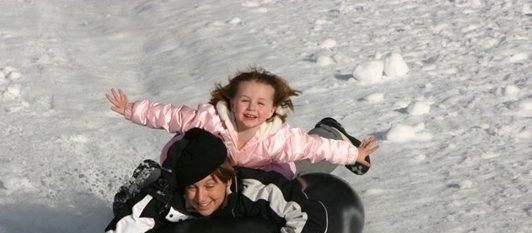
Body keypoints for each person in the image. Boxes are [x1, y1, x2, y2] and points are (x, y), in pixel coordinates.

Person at [104, 128, 329, 233]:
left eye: (210, 186)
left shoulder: (254, 188)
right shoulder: (175, 198)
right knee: (129, 206)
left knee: (294, 168)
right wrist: (160, 191)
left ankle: (330, 133)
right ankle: (150, 177)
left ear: (227, 180)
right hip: (170, 178)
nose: (201, 198)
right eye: (192, 187)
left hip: (264, 161)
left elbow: (311, 219)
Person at [105, 67, 379, 180]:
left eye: (261, 104)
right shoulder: (208, 119)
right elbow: (169, 115)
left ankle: (331, 129)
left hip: (259, 175)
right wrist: (130, 109)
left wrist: (354, 154)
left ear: (272, 110)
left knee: (306, 167)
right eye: (245, 101)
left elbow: (314, 147)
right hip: (213, 174)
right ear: (231, 102)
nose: (252, 108)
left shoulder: (278, 137)